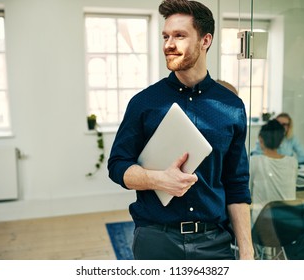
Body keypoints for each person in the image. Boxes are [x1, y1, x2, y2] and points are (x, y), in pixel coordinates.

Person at [108, 0, 253, 260]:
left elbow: (237, 185)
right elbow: (117, 166)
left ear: (205, 40)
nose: (168, 45)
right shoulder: (144, 103)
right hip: (155, 239)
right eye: (165, 36)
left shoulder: (231, 106)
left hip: (214, 242)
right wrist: (157, 179)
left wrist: (247, 250)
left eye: (179, 36)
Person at [250, 119, 298, 224]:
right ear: (281, 141)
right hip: (289, 221)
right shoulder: (293, 162)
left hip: (262, 224)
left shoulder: (254, 161)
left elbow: (246, 192)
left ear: (260, 140)